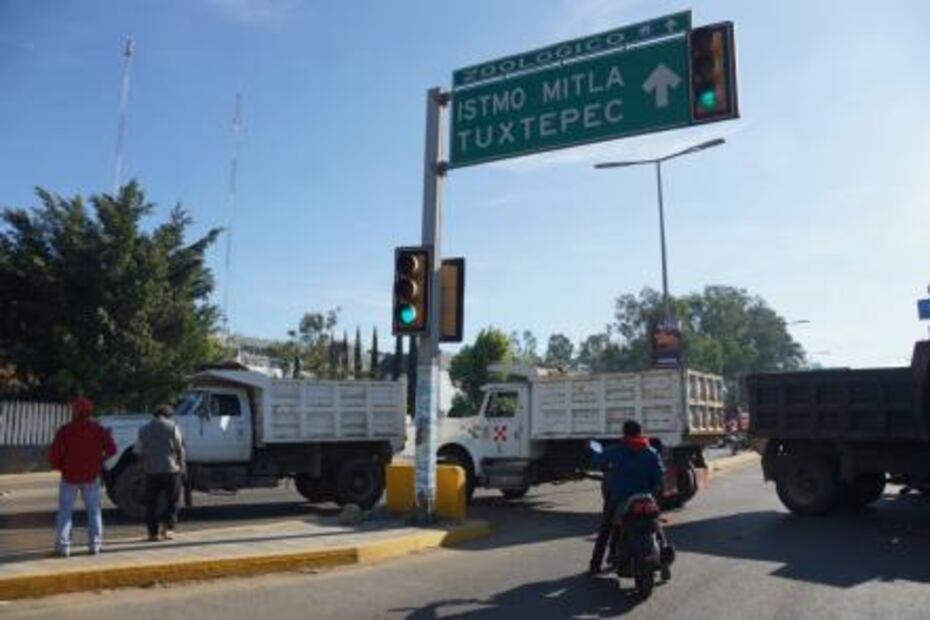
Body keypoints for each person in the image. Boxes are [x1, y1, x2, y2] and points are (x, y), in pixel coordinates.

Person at [588, 420, 665, 575]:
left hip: (620, 498)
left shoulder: (615, 450)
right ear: (640, 433)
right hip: (646, 497)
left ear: (624, 433)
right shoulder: (651, 452)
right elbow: (659, 477)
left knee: (606, 529)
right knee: (656, 525)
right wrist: (651, 492)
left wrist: (595, 453)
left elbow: (596, 462)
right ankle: (664, 559)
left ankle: (595, 565)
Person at [47, 396, 117, 557]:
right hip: (91, 476)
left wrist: (61, 467)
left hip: (69, 477)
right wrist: (100, 461)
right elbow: (112, 449)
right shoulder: (98, 429)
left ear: (76, 412)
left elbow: (54, 455)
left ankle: (63, 547)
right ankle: (95, 545)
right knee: (94, 512)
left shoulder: (65, 430)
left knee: (65, 512)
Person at [134, 404, 186, 541]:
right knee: (172, 501)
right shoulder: (173, 427)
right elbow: (179, 448)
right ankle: (168, 530)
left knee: (151, 503)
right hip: (170, 470)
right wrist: (181, 466)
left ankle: (153, 533)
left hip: (151, 471)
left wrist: (142, 467)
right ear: (169, 415)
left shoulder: (143, 429)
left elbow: (139, 451)